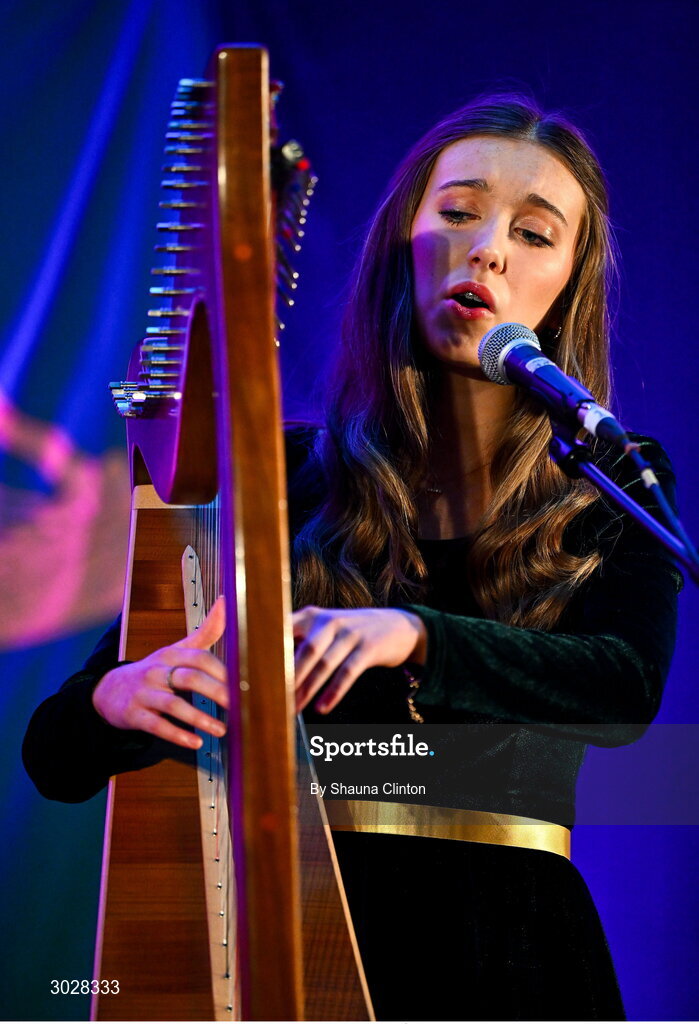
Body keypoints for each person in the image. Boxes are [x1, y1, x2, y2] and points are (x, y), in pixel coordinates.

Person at [23, 95, 681, 1021]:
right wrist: (114, 697)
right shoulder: (284, 476)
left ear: (567, 284)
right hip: (290, 946)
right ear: (399, 242)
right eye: (456, 213)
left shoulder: (611, 474)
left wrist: (413, 635)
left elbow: (624, 690)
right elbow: (53, 753)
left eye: (534, 233)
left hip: (509, 953)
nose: (487, 248)